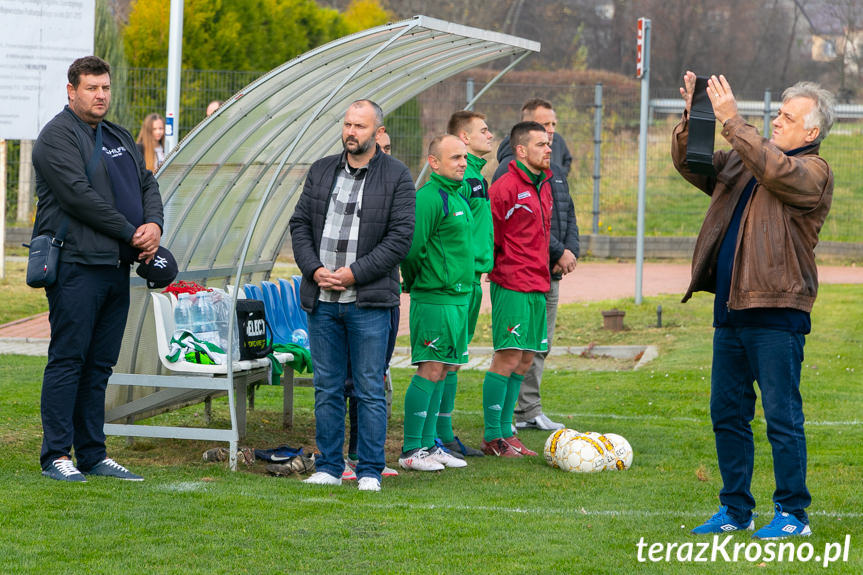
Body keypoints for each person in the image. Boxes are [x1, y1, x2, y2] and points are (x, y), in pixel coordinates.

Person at [673, 72, 835, 539]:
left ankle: (792, 514)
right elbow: (696, 165)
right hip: (731, 310)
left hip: (777, 313)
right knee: (727, 414)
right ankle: (735, 509)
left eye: (788, 117)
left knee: (782, 416)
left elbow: (777, 171)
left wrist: (733, 122)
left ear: (811, 133)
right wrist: (697, 118)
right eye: (778, 113)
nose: (777, 121)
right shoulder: (749, 159)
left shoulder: (814, 171)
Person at [31, 55, 164, 482]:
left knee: (100, 365)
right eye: (92, 88)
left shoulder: (117, 134)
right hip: (74, 265)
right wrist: (132, 232)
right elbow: (78, 197)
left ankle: (92, 453)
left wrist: (153, 225)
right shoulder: (55, 138)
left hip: (115, 268)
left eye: (105, 87)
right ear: (72, 91)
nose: (101, 95)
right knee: (69, 359)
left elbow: (147, 183)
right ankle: (56, 454)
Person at [289, 99, 415, 492]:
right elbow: (299, 226)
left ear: (377, 133)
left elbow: (400, 238)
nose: (351, 132)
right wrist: (314, 270)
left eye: (359, 126)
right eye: (347, 124)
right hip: (323, 301)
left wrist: (354, 273)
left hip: (369, 301)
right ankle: (328, 465)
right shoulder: (321, 170)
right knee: (327, 387)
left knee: (368, 388)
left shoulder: (397, 176)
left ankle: (369, 470)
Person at [494, 100, 580, 432]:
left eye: (554, 127)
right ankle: (505, 420)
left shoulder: (551, 169)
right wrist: (557, 252)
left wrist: (571, 249)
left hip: (549, 273)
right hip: (521, 277)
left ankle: (529, 409)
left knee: (538, 347)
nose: (552, 135)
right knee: (515, 348)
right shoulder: (508, 173)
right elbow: (519, 232)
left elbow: (565, 213)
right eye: (545, 130)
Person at [398, 134, 474, 472]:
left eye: (464, 157)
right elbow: (412, 250)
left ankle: (429, 445)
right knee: (430, 367)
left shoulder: (456, 195)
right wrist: (418, 283)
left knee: (442, 369)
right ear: (434, 162)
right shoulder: (428, 198)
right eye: (455, 157)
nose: (462, 163)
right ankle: (412, 448)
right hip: (435, 297)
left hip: (458, 297)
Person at [480, 121, 553, 458]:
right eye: (541, 144)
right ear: (521, 151)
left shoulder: (545, 185)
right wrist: (497, 269)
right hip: (511, 283)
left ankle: (507, 431)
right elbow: (490, 235)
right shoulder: (505, 187)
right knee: (508, 356)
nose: (548, 149)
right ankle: (493, 436)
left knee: (525, 360)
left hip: (539, 283)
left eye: (548, 143)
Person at [434, 110, 496, 458]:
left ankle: (444, 432)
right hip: (457, 281)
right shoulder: (459, 179)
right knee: (443, 359)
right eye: (484, 131)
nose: (491, 135)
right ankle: (437, 434)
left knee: (455, 358)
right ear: (464, 137)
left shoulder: (476, 177)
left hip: (472, 279)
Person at [492, 98, 572, 181]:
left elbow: (567, 160)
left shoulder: (556, 142)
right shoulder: (509, 168)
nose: (552, 130)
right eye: (545, 124)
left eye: (553, 124)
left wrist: (559, 175)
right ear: (527, 125)